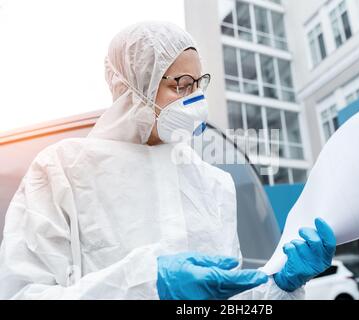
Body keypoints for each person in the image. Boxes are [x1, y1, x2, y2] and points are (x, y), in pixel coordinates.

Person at [0, 21, 336, 300]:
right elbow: (24, 294)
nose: (196, 101)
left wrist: (281, 285)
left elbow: (231, 298)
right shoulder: (63, 169)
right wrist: (146, 283)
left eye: (199, 85)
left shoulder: (213, 184)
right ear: (135, 85)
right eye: (182, 85)